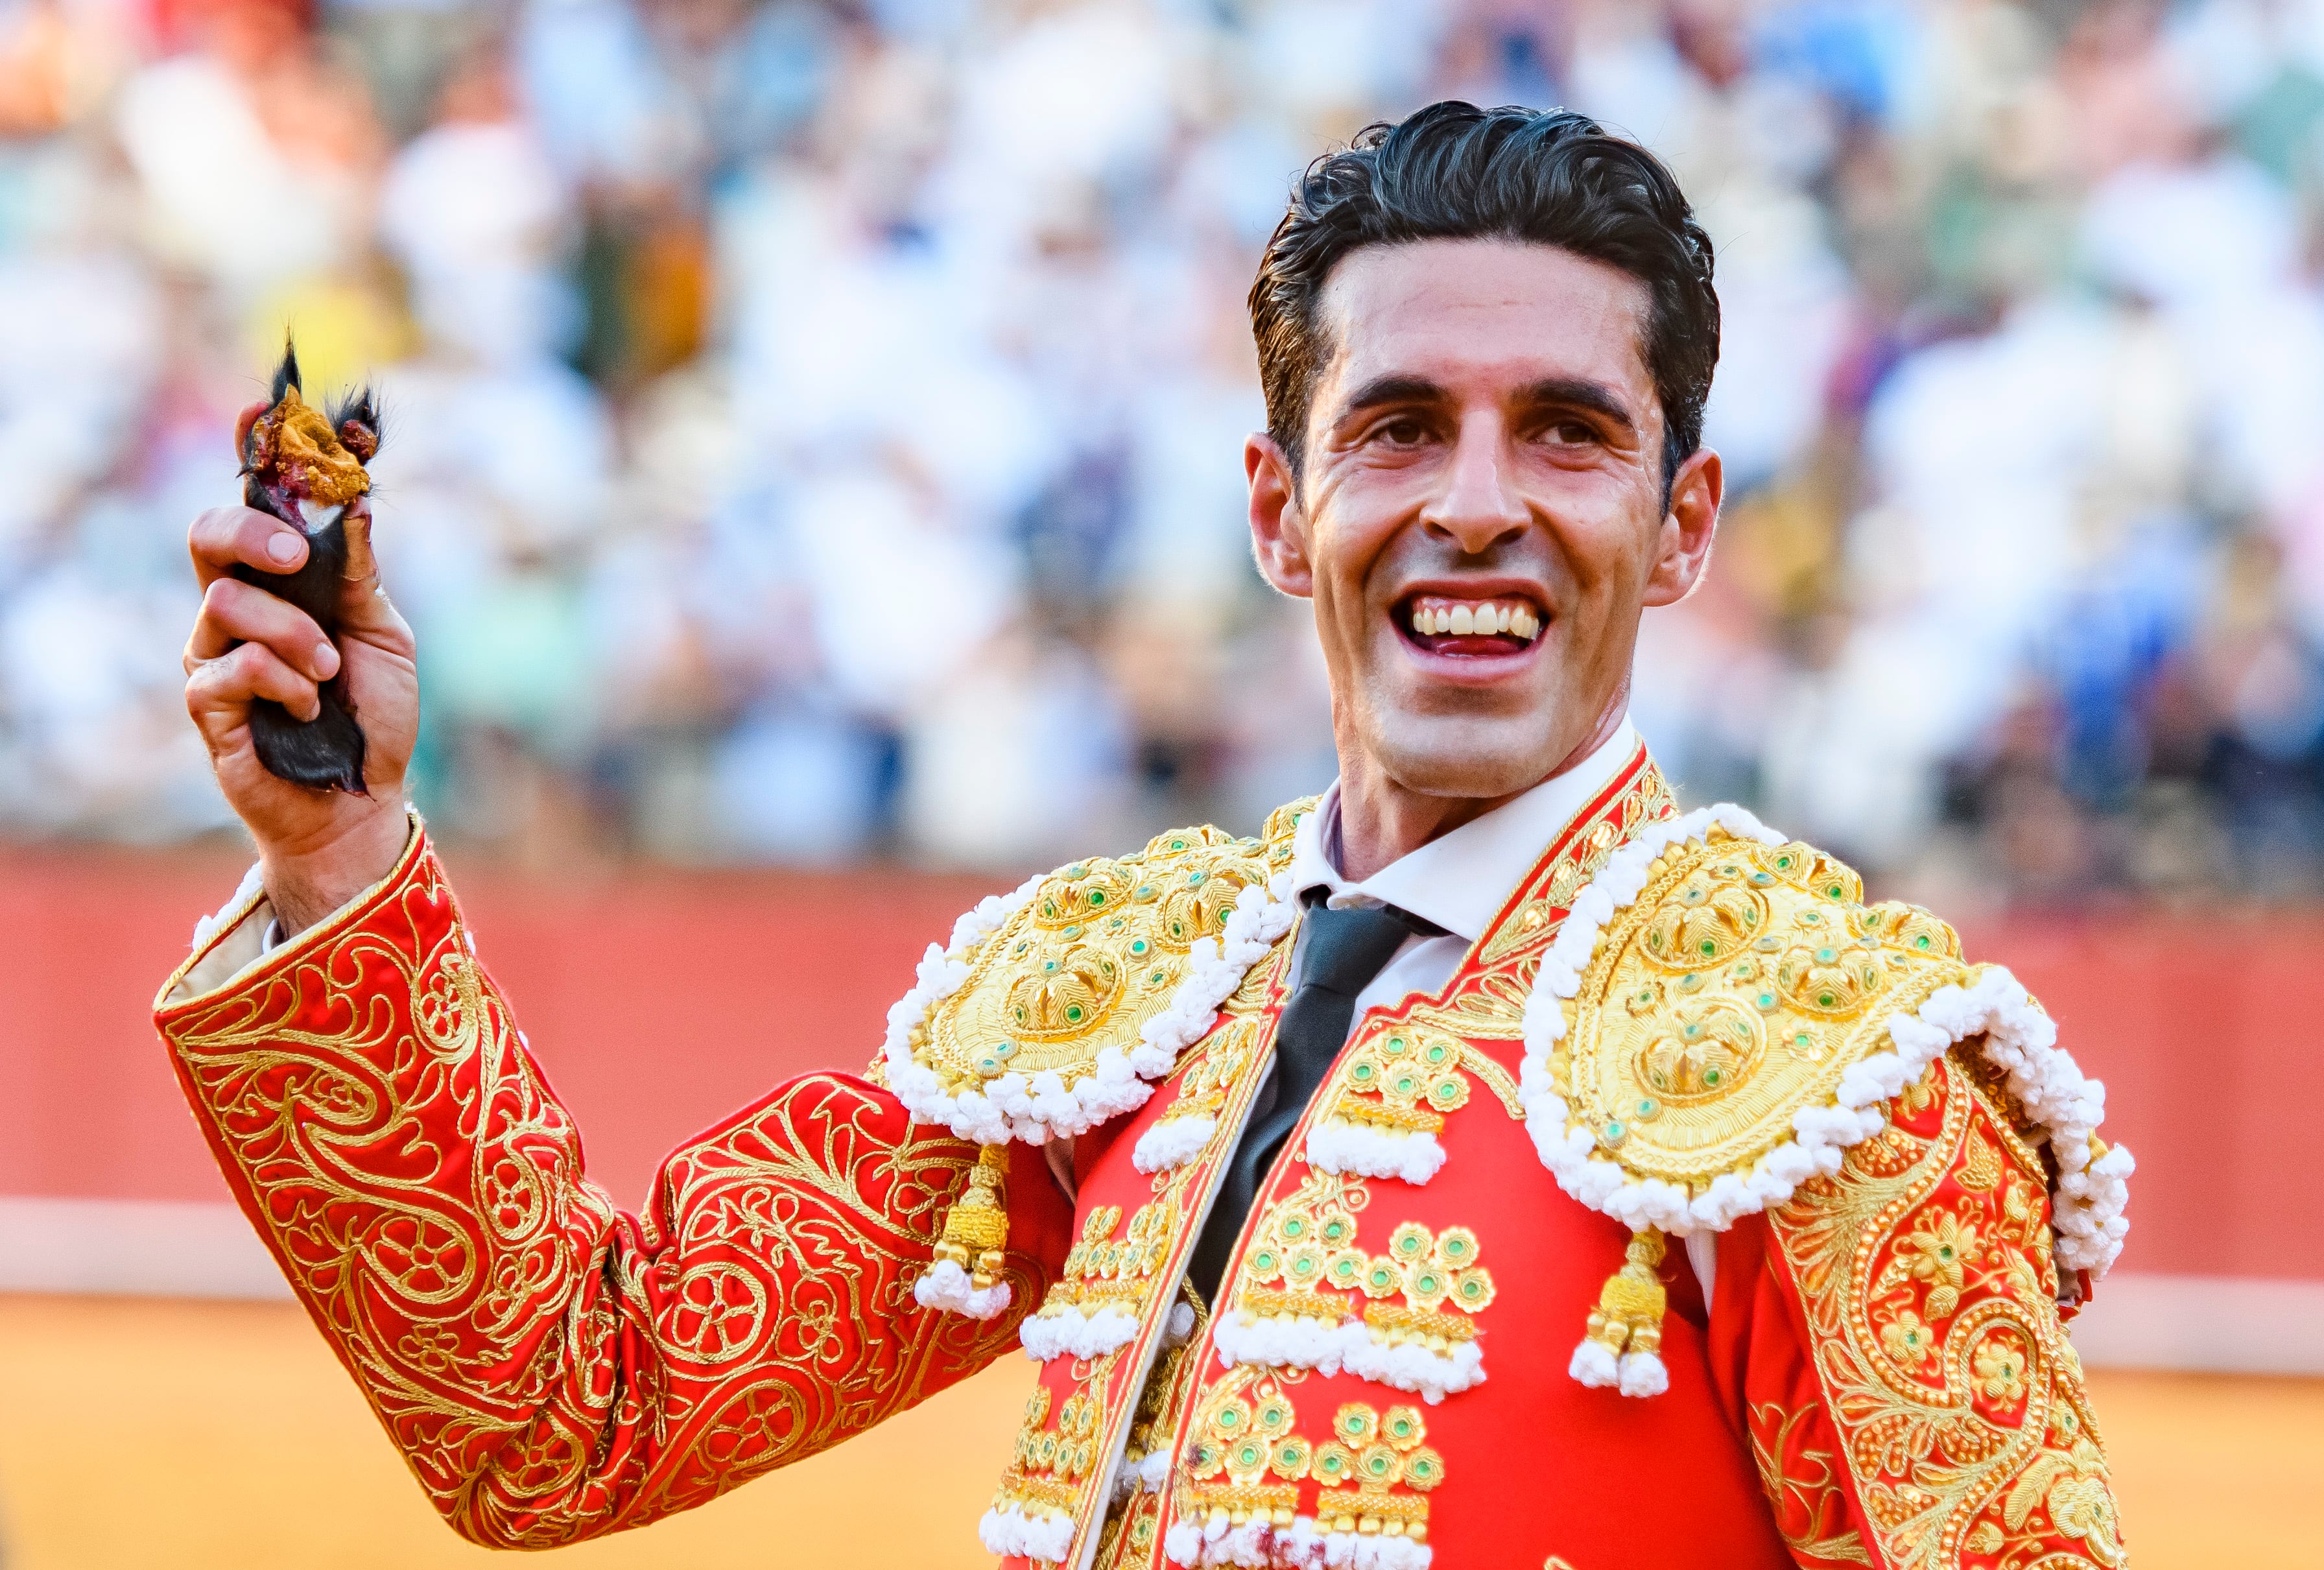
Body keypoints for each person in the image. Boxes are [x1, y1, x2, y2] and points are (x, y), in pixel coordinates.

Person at [158, 104, 2131, 1570]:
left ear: (1681, 524)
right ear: (1278, 513)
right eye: (1397, 427)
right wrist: (340, 865)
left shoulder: (1819, 1068)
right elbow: (568, 1411)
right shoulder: (1138, 992)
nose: (1471, 503)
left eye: (1563, 431)